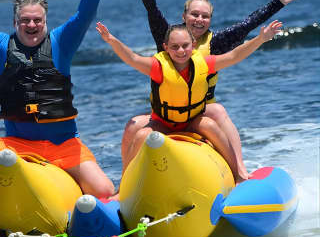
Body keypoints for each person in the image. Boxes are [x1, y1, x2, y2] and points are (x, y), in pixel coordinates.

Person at [121, 0, 302, 181]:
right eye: (194, 14)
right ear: (184, 16)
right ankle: (125, 184)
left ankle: (240, 170)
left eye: (205, 16)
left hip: (199, 108)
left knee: (217, 110)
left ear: (210, 20)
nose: (199, 20)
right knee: (132, 126)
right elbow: (151, 9)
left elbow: (249, 23)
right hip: (165, 112)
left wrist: (279, 2)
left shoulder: (216, 42)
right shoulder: (167, 36)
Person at [96, 20, 282, 183]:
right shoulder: (158, 67)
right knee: (141, 135)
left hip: (192, 121)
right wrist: (112, 41)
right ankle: (126, 186)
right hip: (164, 124)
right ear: (166, 48)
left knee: (210, 124)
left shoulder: (204, 64)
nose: (181, 51)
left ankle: (238, 175)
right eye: (175, 47)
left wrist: (260, 39)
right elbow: (132, 58)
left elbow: (233, 56)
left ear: (193, 45)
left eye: (185, 45)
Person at [0, 0, 115, 199]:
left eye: (37, 20)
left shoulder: (62, 41)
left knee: (105, 191)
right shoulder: (2, 47)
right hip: (16, 147)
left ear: (46, 21)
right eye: (25, 20)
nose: (32, 25)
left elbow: (84, 16)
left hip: (63, 145)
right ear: (15, 23)